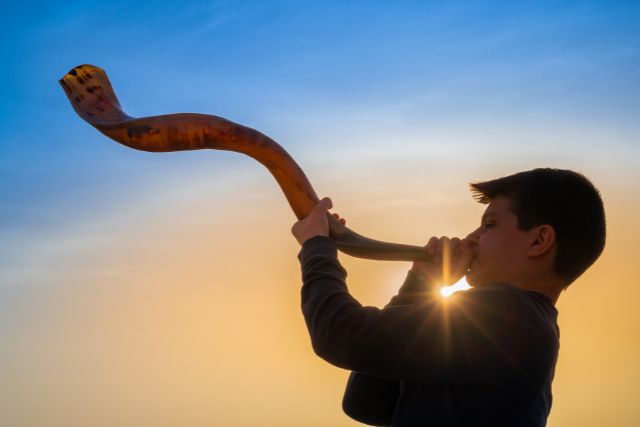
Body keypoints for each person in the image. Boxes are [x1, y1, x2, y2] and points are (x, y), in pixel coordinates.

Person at [291, 168, 606, 427]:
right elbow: (368, 404)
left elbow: (338, 334)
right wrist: (419, 286)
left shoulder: (507, 313)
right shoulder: (518, 325)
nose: (471, 238)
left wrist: (316, 246)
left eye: (489, 225)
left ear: (539, 240)